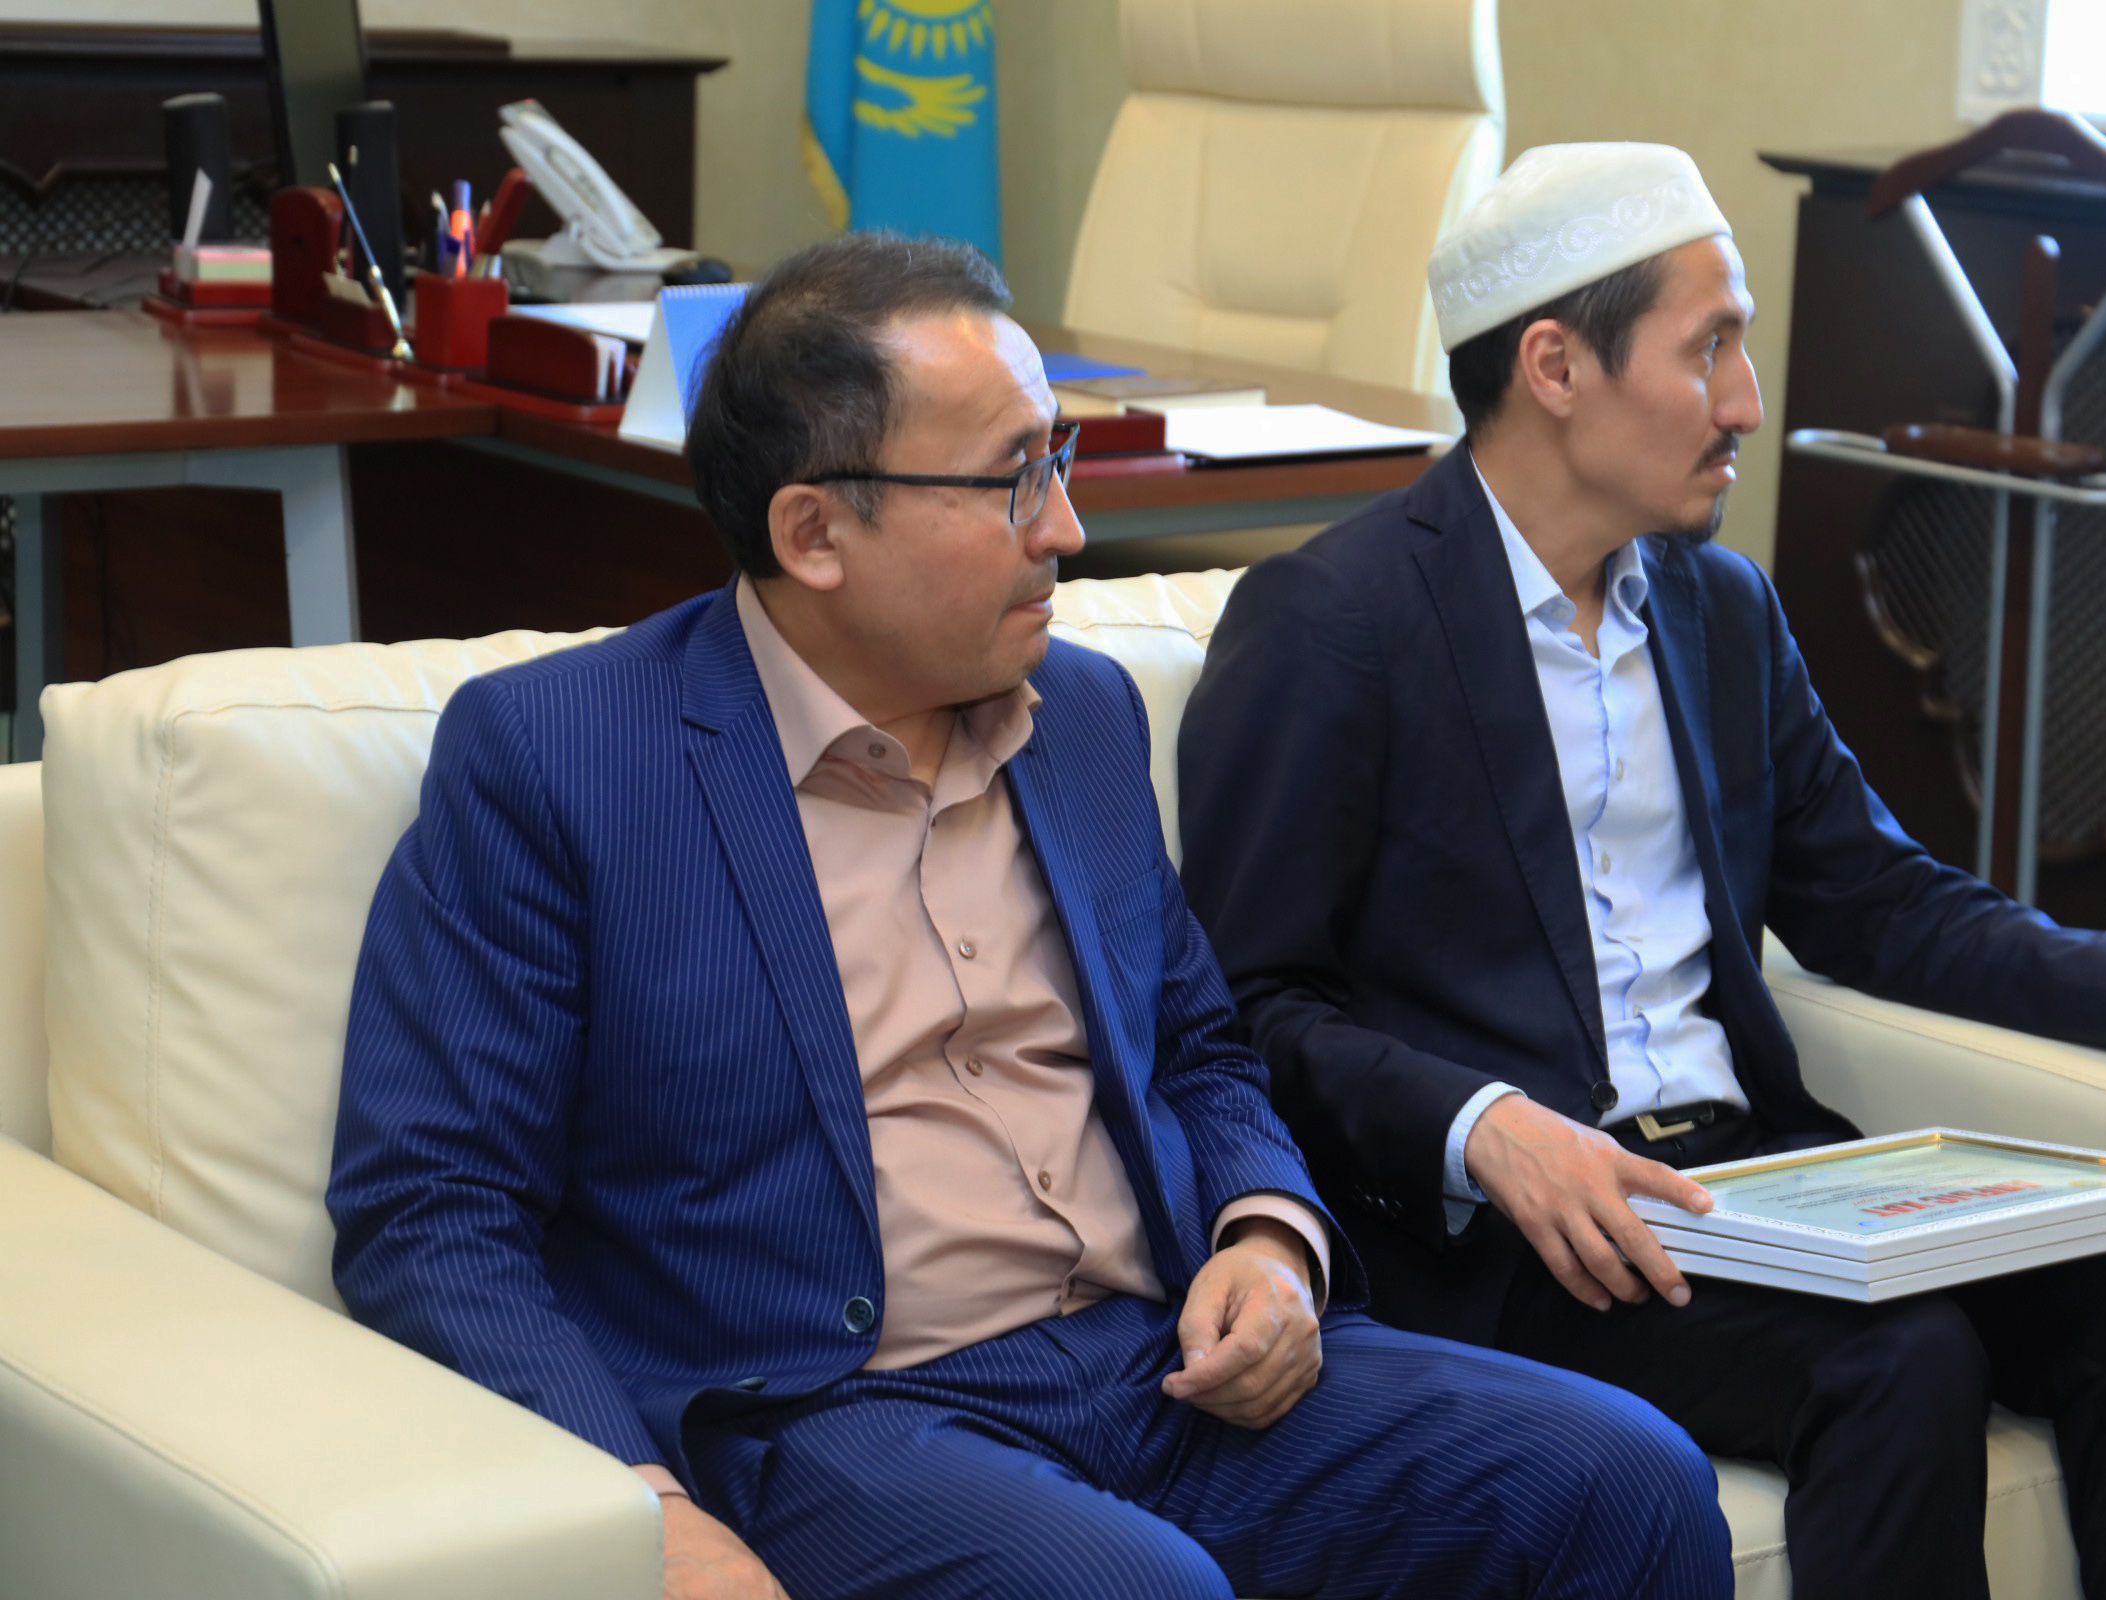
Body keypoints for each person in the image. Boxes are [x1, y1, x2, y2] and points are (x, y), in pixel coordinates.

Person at [327, 231, 1733, 1600]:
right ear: (814, 532)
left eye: (1056, 461)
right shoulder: (562, 758)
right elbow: (432, 1205)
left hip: (1159, 1361)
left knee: (1629, 1478)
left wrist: (1267, 1241)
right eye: (1013, 480)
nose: (1066, 527)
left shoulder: (1083, 715)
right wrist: (646, 1507)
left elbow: (1201, 1047)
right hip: (837, 1410)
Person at [1176, 143, 2106, 1600]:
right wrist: (1484, 1125)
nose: (1747, 401)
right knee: (1900, 1359)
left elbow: (1881, 900)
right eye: (1710, 349)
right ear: (1555, 367)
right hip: (1528, 1237)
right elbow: (1250, 1007)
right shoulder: (1332, 620)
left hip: (1761, 1180)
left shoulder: (1721, 607)